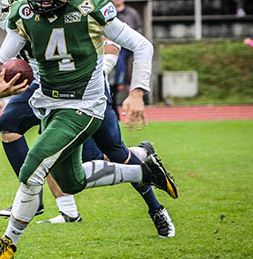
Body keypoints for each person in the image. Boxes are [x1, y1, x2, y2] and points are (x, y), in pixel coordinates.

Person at [0, 0, 178, 259]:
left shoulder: (89, 6)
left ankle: (7, 244)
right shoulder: (22, 11)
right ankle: (144, 168)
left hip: (85, 102)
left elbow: (141, 44)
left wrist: (137, 91)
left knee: (35, 166)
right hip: (48, 100)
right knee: (71, 181)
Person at [39, 40, 175, 238]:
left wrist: (98, 75)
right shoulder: (29, 22)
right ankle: (142, 153)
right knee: (87, 158)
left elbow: (113, 45)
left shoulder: (82, 12)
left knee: (117, 154)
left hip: (93, 97)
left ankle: (156, 210)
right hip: (59, 100)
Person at [0, 0, 47, 217]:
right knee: (8, 124)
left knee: (102, 156)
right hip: (37, 80)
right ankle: (32, 200)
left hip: (73, 83)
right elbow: (5, 51)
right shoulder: (6, 9)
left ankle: (142, 163)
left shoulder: (67, 5)